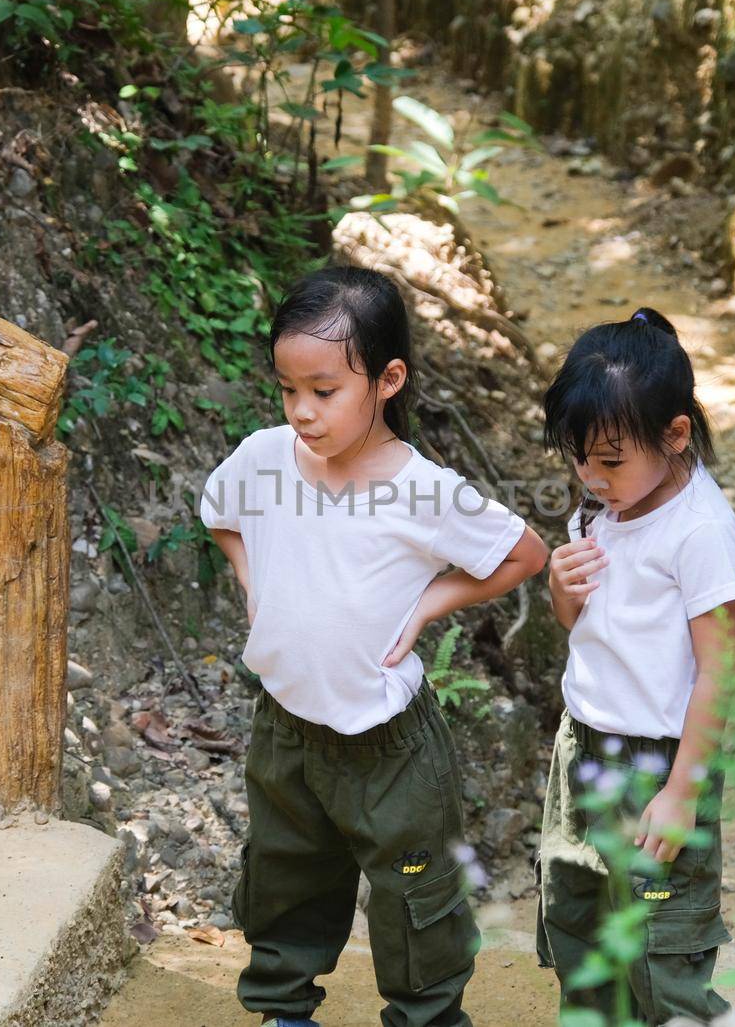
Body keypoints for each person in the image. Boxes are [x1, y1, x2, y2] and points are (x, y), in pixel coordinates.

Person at [201, 266, 549, 1027]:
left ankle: (426, 1015)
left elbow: (524, 553)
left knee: (413, 893)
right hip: (286, 729)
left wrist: (429, 604)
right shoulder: (264, 457)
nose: (302, 411)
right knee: (285, 876)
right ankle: (284, 1012)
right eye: (289, 389)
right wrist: (252, 578)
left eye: (324, 391)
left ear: (388, 379)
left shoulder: (422, 488)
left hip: (390, 749)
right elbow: (219, 512)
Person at [536, 306, 735, 1023]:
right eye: (577, 457)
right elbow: (584, 627)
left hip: (657, 764)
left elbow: (719, 671)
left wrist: (682, 792)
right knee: (581, 937)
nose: (590, 476)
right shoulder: (600, 509)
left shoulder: (700, 532)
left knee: (662, 961)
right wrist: (561, 592)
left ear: (676, 433)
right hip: (582, 752)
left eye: (610, 460)